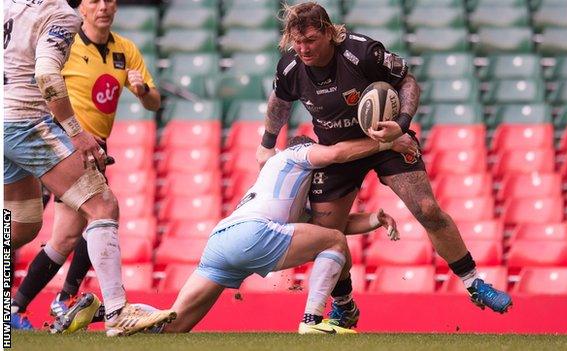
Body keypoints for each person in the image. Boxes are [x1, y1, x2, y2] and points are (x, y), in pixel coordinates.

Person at [255, 2, 512, 329]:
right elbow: (279, 101)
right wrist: (266, 145)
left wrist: (402, 124)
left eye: (311, 40)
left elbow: (408, 82)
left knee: (427, 208)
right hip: (337, 150)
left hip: (387, 140)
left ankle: (475, 283)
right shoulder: (290, 67)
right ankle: (345, 306)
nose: (303, 48)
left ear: (330, 34)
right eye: (297, 41)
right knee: (326, 235)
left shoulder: (363, 53)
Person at [54, 134, 415, 334]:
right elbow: (336, 154)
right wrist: (386, 144)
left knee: (173, 325)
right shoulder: (297, 154)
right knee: (334, 244)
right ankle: (312, 323)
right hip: (252, 233)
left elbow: (326, 226)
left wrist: (373, 220)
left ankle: (103, 312)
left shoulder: (284, 188)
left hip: (222, 238)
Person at [4, 0, 174, 336]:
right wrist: (76, 133)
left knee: (23, 227)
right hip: (31, 126)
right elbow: (47, 75)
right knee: (103, 205)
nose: (104, 6)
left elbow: (154, 99)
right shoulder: (62, 17)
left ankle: (45, 302)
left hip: (7, 122)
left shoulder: (10, 5)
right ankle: (117, 311)